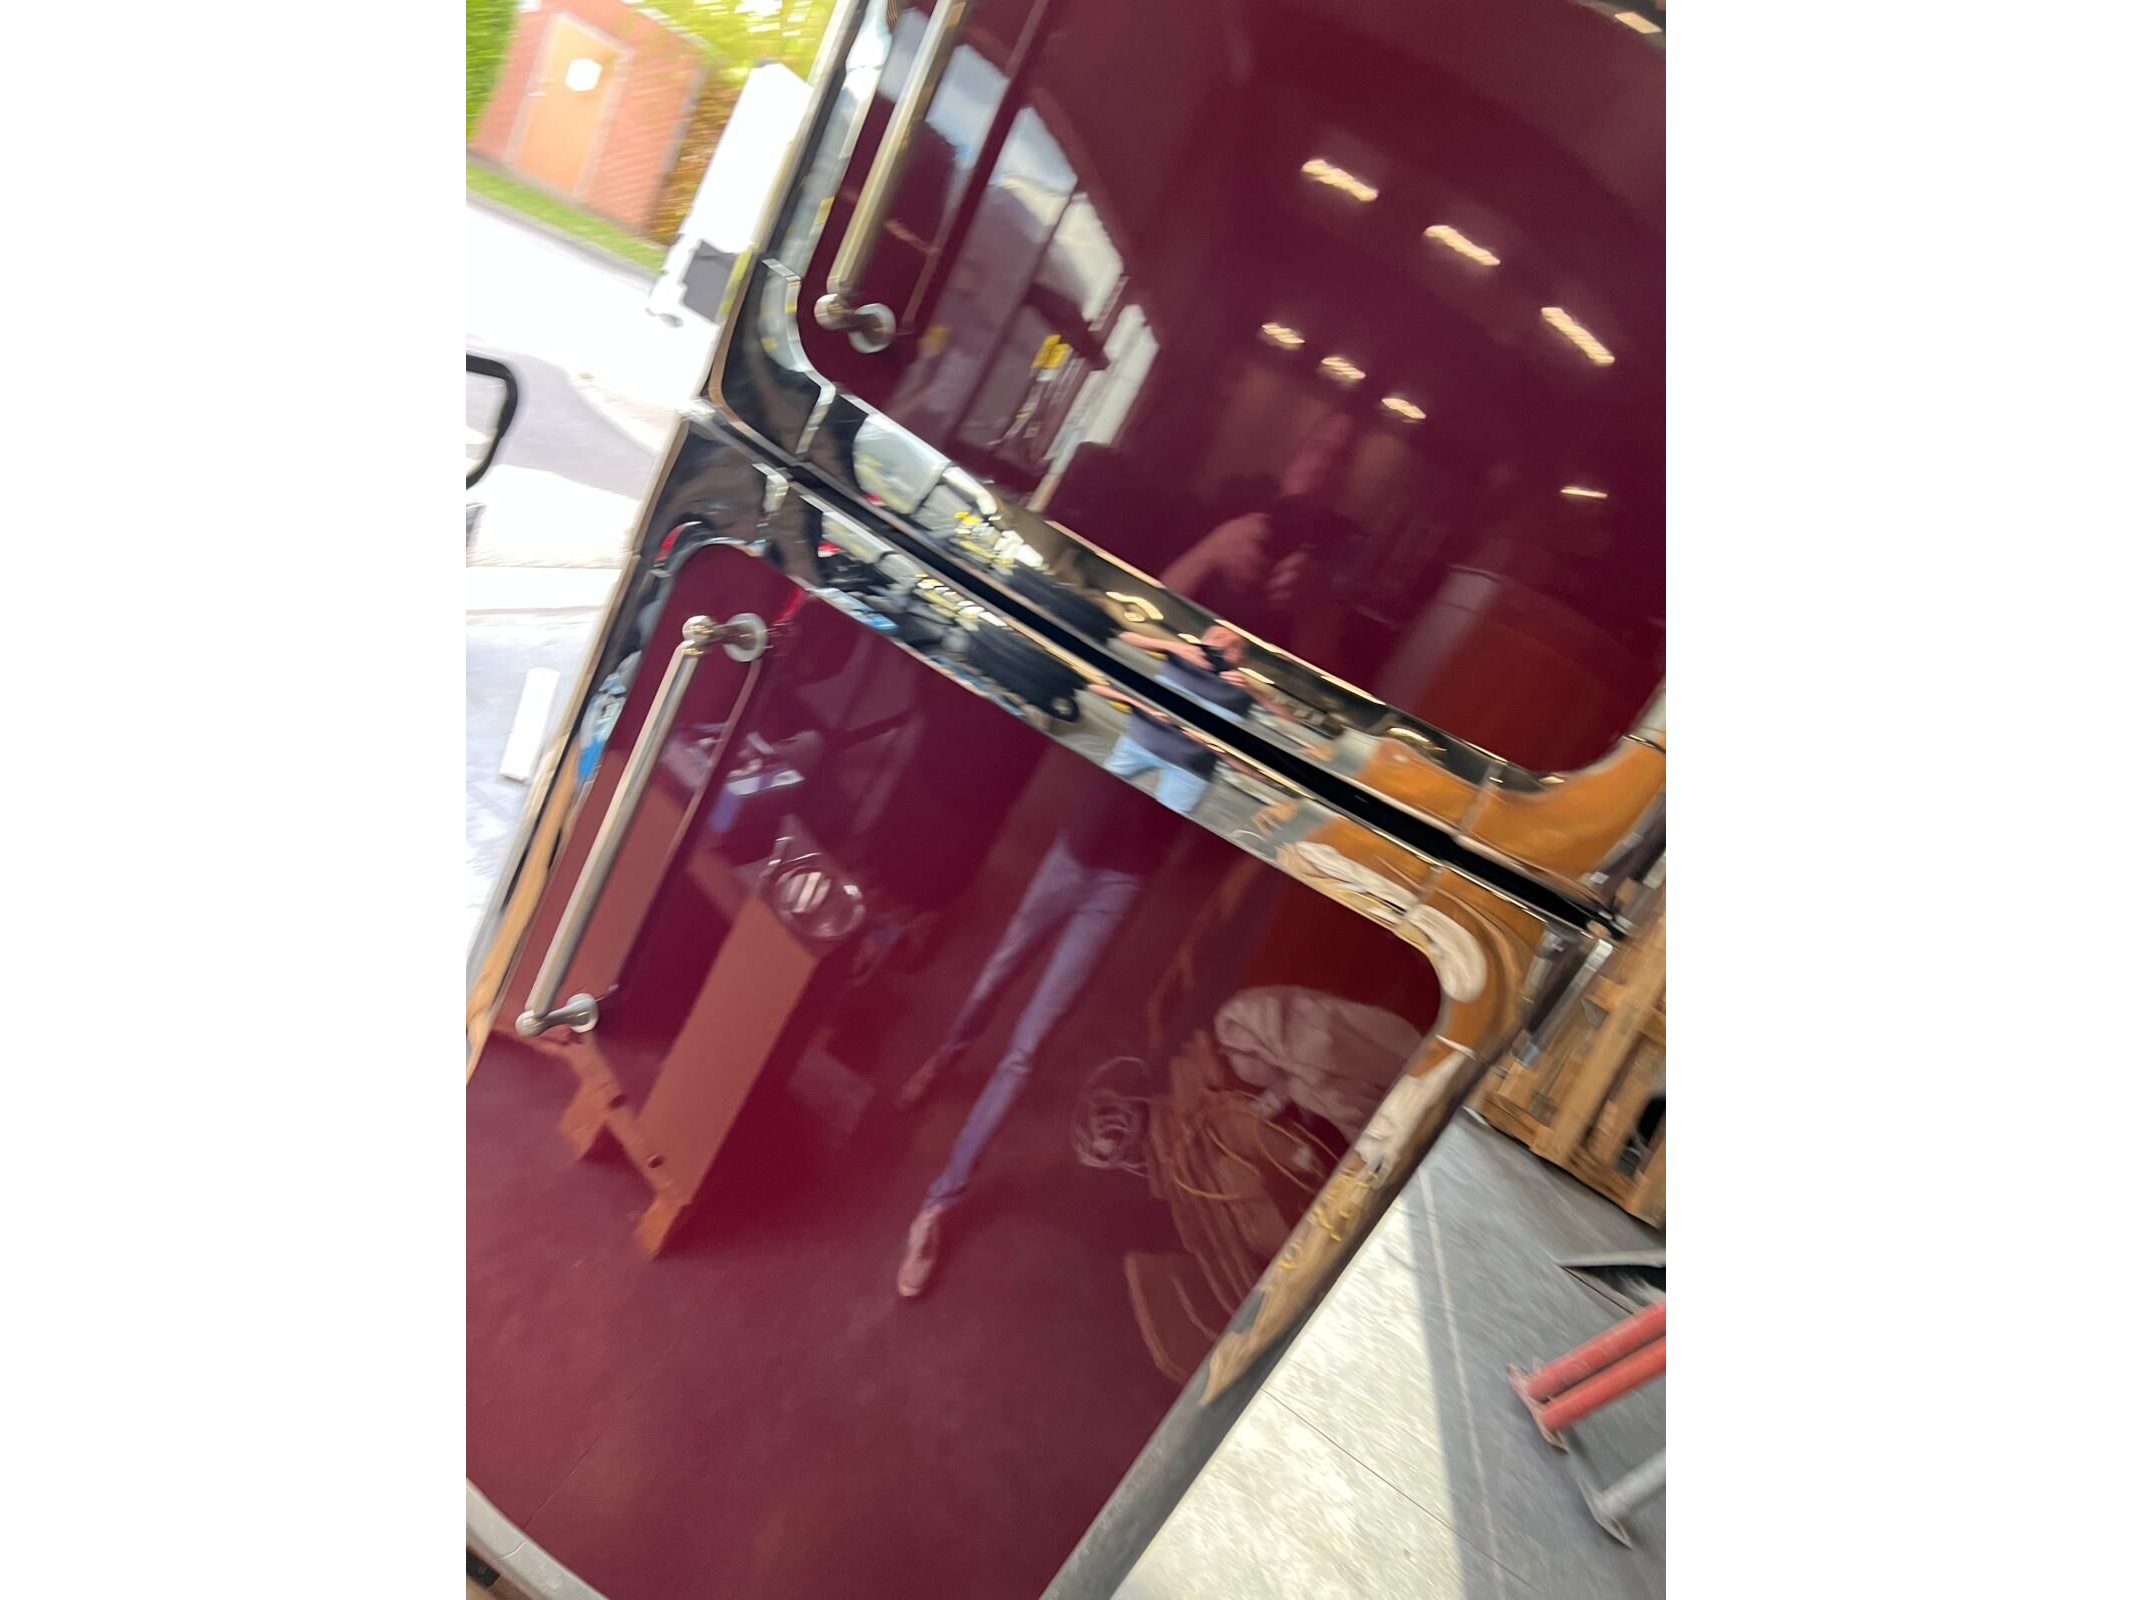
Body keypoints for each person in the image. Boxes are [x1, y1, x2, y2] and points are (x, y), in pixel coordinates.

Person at [892, 642, 1263, 1298]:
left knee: (1028, 1045)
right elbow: (1105, 663)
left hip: (1123, 881)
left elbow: (1231, 805)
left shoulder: (1238, 708)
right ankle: (947, 1055)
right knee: (998, 971)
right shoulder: (1166, 655)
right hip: (1074, 851)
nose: (1224, 651)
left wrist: (1231, 725)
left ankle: (938, 1205)